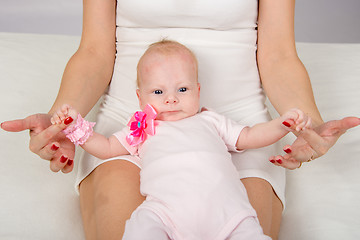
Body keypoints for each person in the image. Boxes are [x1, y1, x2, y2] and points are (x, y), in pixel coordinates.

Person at [1, 1, 359, 239]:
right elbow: (94, 49)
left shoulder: (234, 128)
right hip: (131, 124)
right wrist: (63, 121)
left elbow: (279, 53)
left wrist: (303, 121)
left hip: (243, 127)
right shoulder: (132, 127)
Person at [51, 40, 311, 239]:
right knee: (140, 229)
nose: (171, 99)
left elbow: (250, 136)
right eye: (158, 91)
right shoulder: (142, 129)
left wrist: (282, 124)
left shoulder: (210, 121)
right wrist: (77, 129)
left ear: (198, 91)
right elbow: (107, 148)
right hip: (165, 213)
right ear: (141, 99)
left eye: (182, 89)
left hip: (230, 213)